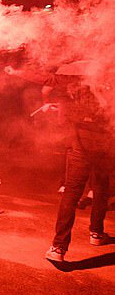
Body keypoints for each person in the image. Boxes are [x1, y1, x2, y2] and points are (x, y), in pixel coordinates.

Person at [45, 79, 113, 262]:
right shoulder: (108, 83)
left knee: (72, 192)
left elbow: (63, 120)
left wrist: (60, 109)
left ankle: (58, 248)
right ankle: (96, 234)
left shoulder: (78, 88)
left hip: (80, 148)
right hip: (105, 148)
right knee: (100, 188)